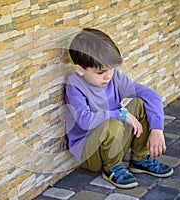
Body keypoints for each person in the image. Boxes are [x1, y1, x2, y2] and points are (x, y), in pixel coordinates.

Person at [65, 28, 173, 189]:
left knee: (139, 102)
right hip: (90, 152)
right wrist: (120, 114)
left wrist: (157, 129)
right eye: (100, 72)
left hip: (113, 142)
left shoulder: (113, 77)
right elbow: (85, 121)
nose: (108, 76)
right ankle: (111, 168)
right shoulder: (75, 86)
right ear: (80, 69)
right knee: (114, 122)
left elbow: (152, 96)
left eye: (111, 69)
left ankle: (139, 159)